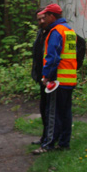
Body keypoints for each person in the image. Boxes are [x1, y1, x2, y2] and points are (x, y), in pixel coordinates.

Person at [33, 3, 77, 154]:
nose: (43, 19)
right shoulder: (69, 30)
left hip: (57, 80)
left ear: (52, 16)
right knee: (66, 113)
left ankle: (48, 145)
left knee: (53, 113)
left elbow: (52, 57)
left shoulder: (56, 32)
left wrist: (47, 77)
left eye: (45, 16)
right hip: (69, 79)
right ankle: (64, 143)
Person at [31, 8, 50, 146]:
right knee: (43, 108)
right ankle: (45, 136)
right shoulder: (41, 33)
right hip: (42, 77)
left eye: (43, 18)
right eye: (39, 19)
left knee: (50, 109)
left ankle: (50, 138)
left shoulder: (54, 33)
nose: (41, 21)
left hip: (51, 78)